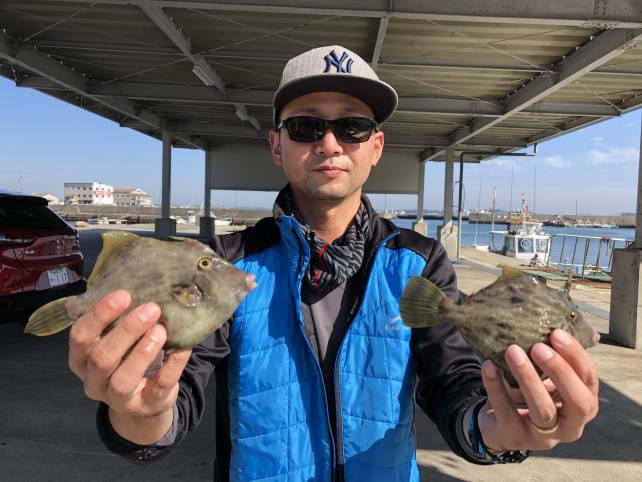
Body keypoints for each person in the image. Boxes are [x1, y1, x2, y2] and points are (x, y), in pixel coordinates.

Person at [68, 46, 599, 481]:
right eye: (305, 127)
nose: (329, 143)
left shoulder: (418, 261)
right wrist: (140, 413)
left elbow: (453, 381)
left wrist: (499, 427)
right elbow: (179, 387)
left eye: (352, 127)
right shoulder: (227, 262)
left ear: (376, 146)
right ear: (277, 146)